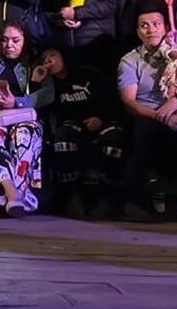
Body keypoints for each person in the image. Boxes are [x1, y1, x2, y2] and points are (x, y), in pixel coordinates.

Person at [117, 7, 177, 220]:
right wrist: (163, 116)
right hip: (147, 114)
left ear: (166, 28)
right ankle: (136, 202)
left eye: (156, 24)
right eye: (145, 25)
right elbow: (129, 101)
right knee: (146, 133)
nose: (151, 29)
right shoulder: (130, 60)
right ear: (138, 31)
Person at [0, 21, 53, 216]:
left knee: (25, 134)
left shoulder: (33, 64)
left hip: (22, 115)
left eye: (15, 41)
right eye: (4, 41)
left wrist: (17, 102)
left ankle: (4, 195)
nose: (9, 46)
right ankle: (14, 194)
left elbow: (48, 93)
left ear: (24, 41)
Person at [38, 46, 124, 217]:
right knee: (63, 139)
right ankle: (70, 195)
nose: (48, 61)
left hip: (102, 119)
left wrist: (100, 117)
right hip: (73, 126)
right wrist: (37, 82)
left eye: (53, 55)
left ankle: (108, 196)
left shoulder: (88, 74)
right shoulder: (51, 85)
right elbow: (38, 106)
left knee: (114, 139)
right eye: (44, 59)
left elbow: (112, 99)